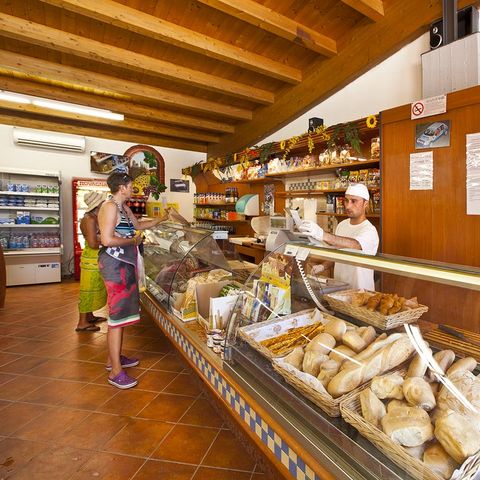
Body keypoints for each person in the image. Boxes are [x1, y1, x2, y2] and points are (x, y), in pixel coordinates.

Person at [98, 172, 162, 389]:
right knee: (117, 316)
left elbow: (139, 226)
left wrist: (162, 219)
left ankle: (113, 358)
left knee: (122, 313)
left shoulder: (123, 208)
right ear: (121, 187)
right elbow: (107, 240)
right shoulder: (109, 207)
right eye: (131, 185)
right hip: (115, 265)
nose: (133, 188)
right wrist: (132, 241)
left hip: (125, 264)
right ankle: (115, 372)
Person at [299, 183, 379, 291]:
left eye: (354, 201)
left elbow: (355, 245)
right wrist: (323, 266)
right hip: (340, 289)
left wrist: (322, 234)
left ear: (365, 204)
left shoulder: (369, 230)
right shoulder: (342, 225)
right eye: (346, 200)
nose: (348, 206)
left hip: (360, 292)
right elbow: (338, 253)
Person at [75, 191, 107, 332]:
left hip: (94, 259)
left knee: (93, 288)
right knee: (87, 291)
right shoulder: (90, 219)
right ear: (97, 205)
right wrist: (109, 241)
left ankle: (89, 316)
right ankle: (82, 323)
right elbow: (93, 244)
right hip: (91, 259)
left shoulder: (92, 217)